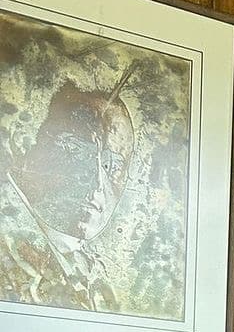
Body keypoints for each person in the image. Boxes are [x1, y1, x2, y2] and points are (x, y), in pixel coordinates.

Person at [0, 77, 134, 312]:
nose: (96, 183)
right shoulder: (8, 249)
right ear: (31, 150)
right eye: (75, 152)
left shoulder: (92, 271)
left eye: (112, 167)